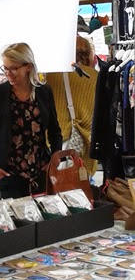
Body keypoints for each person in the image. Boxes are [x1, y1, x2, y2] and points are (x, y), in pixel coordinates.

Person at [0, 42, 62, 198]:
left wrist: (55, 158)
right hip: (7, 175)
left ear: (28, 66)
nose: (8, 73)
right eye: (5, 68)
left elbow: (55, 131)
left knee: (42, 220)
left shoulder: (44, 92)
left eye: (13, 68)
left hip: (40, 174)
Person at [46, 35, 98, 177]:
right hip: (85, 139)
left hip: (56, 138)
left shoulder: (50, 75)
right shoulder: (94, 77)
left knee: (57, 182)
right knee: (81, 182)